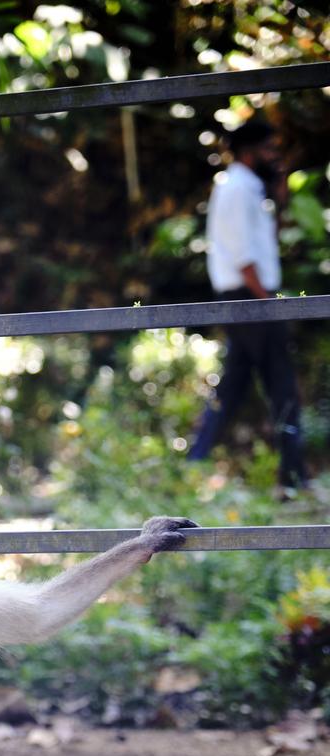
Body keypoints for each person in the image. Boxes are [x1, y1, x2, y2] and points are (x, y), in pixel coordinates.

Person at [188, 117, 307, 492]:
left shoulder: (250, 187)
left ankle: (193, 463)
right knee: (282, 385)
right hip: (250, 295)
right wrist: (267, 301)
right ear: (249, 151)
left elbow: (265, 236)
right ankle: (293, 477)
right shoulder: (236, 188)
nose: (275, 156)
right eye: (269, 149)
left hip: (251, 295)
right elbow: (242, 255)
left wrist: (279, 184)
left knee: (234, 385)